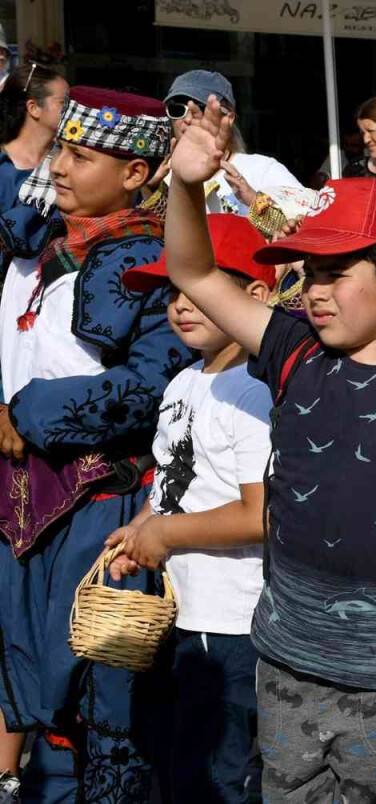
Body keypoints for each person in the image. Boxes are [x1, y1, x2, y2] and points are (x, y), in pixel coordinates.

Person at [162, 96, 376, 800]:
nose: (314, 292)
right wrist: (185, 184)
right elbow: (194, 273)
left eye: (336, 273)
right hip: (284, 668)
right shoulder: (291, 351)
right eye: (308, 274)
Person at [0, 87, 186, 803]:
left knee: (104, 699)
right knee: (24, 689)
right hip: (17, 510)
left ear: (136, 174)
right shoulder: (34, 246)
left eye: (81, 155)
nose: (62, 168)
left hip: (102, 514)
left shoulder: (156, 266)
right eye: (61, 151)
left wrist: (28, 412)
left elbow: (148, 385)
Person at [105, 213, 278, 803]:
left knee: (218, 775)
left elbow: (262, 514)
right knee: (181, 764)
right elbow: (174, 483)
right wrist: (139, 531)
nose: (181, 304)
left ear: (255, 295)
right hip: (185, 610)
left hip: (235, 620)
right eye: (174, 291)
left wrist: (168, 535)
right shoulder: (184, 382)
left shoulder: (256, 389)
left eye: (199, 288)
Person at [164, 70, 302, 219]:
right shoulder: (162, 177)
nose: (188, 119)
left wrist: (253, 200)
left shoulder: (262, 169)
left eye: (201, 108)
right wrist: (149, 190)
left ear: (229, 117)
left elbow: (309, 223)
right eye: (177, 109)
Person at [0, 64, 66, 212]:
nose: (73, 109)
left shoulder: (68, 160)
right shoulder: (3, 166)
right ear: (34, 108)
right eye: (63, 102)